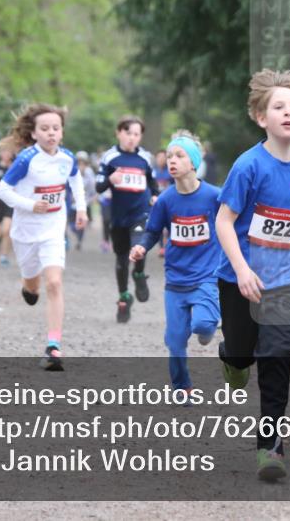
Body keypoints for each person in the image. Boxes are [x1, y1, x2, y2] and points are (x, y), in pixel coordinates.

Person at [214, 69, 290, 481]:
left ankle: (270, 445)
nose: (287, 113)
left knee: (276, 355)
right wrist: (242, 269)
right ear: (260, 117)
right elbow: (224, 221)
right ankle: (231, 360)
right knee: (241, 351)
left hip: (284, 279)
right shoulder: (249, 166)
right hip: (239, 278)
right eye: (278, 107)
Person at [0, 104, 88, 371]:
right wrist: (29, 204)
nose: (51, 133)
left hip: (53, 230)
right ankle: (28, 288)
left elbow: (76, 181)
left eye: (55, 128)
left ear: (61, 133)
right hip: (26, 232)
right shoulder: (26, 159)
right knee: (33, 285)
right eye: (45, 129)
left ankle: (53, 347)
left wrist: (80, 208)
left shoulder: (67, 158)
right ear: (34, 133)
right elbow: (3, 190)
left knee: (55, 283)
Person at [130, 131, 221, 395]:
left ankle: (209, 326)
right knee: (175, 341)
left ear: (193, 163)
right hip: (176, 281)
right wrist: (141, 247)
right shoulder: (166, 200)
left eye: (179, 156)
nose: (172, 160)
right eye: (169, 156)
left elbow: (232, 223)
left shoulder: (214, 196)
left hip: (206, 277)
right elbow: (152, 231)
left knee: (203, 326)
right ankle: (182, 386)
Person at [95, 115, 160, 323]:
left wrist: (156, 196)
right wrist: (110, 179)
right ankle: (124, 297)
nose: (132, 138)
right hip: (119, 217)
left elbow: (153, 183)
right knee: (122, 261)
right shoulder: (109, 157)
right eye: (128, 133)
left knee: (138, 249)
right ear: (119, 133)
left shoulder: (145, 158)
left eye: (136, 134)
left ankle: (139, 275)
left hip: (140, 213)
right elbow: (99, 186)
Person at [66, 150, 98, 251]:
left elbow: (93, 188)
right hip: (72, 202)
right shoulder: (71, 170)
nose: (81, 166)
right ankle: (75, 232)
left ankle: (79, 241)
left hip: (85, 201)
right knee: (71, 223)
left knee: (82, 223)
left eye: (83, 163)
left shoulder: (89, 173)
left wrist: (92, 198)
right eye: (79, 163)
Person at [152, 148, 173, 257]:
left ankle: (168, 245)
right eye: (159, 157)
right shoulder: (152, 171)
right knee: (159, 224)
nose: (161, 159)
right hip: (156, 201)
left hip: (168, 201)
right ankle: (161, 247)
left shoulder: (170, 171)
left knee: (169, 224)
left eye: (163, 157)